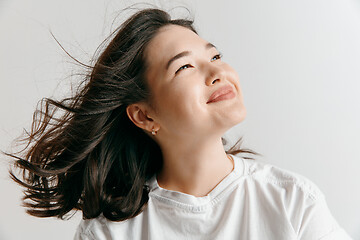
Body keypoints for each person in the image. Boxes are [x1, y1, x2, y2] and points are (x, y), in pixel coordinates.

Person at [5, 7, 352, 240]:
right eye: (185, 67)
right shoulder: (110, 232)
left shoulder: (292, 202)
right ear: (145, 116)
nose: (218, 72)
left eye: (214, 56)